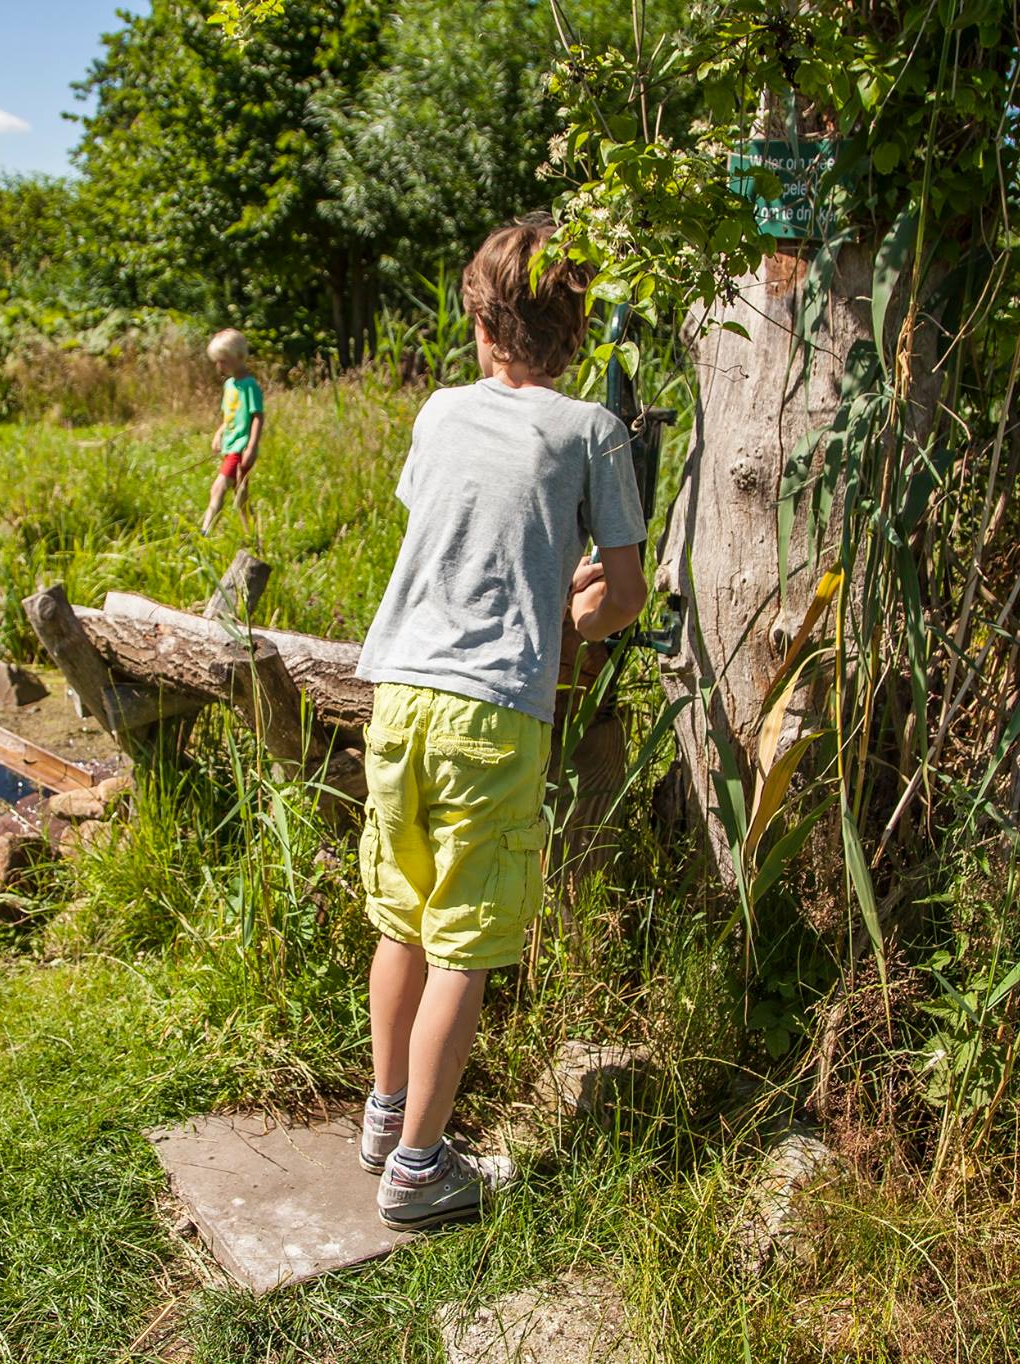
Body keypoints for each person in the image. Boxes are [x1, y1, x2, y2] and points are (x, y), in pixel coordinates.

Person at [352, 217, 649, 1231]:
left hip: (396, 692)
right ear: (577, 334)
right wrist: (573, 611)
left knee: (399, 910)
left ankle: (383, 1112)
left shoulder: (437, 411)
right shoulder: (591, 432)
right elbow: (623, 594)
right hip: (491, 711)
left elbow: (450, 521)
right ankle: (419, 1169)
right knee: (463, 942)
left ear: (480, 323)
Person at [199, 328, 265, 536]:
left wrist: (252, 446)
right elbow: (231, 417)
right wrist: (219, 433)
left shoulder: (249, 386)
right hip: (230, 445)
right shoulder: (230, 385)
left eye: (224, 361)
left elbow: (257, 416)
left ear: (238, 357)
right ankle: (253, 535)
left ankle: (205, 533)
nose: (220, 366)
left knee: (218, 488)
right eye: (217, 361)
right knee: (241, 496)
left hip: (241, 447)